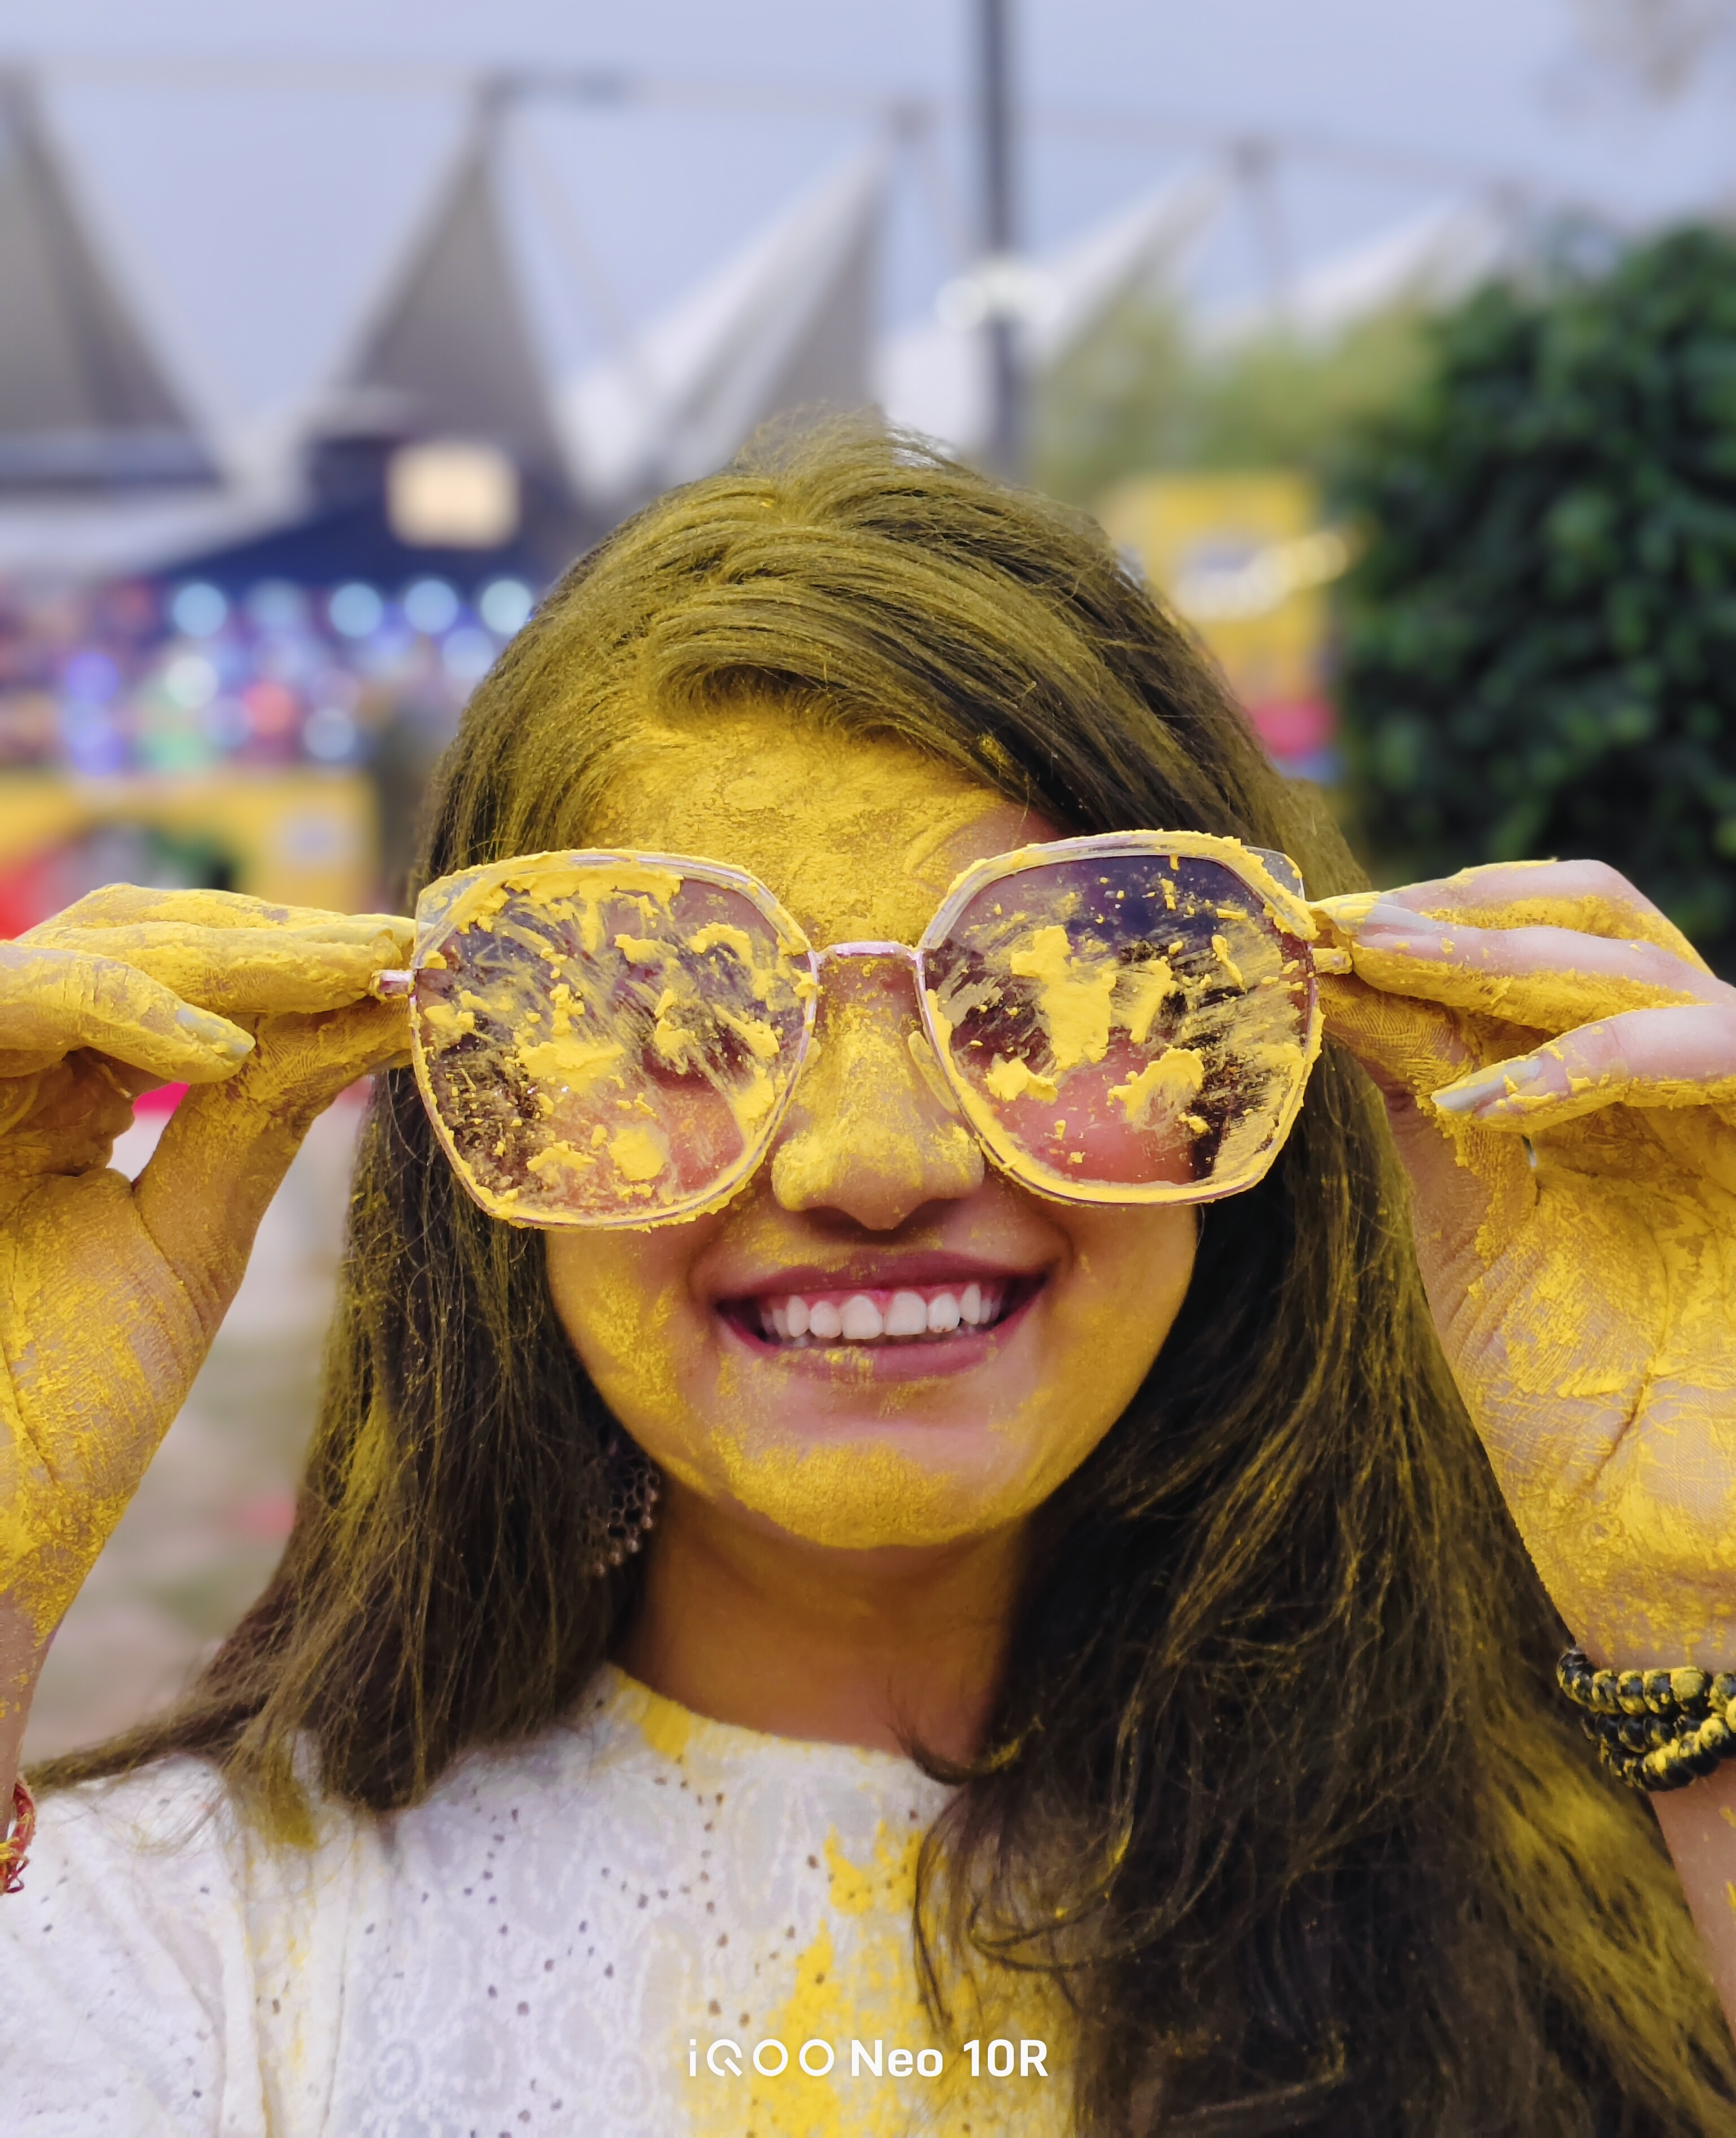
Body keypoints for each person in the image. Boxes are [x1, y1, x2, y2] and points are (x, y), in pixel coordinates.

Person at [3, 419, 1736, 2135]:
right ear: (482, 1134)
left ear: (1270, 1054)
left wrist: (1706, 1624)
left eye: (1051, 995)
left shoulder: (1644, 1860)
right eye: (676, 1024)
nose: (873, 1163)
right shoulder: (182, 1962)